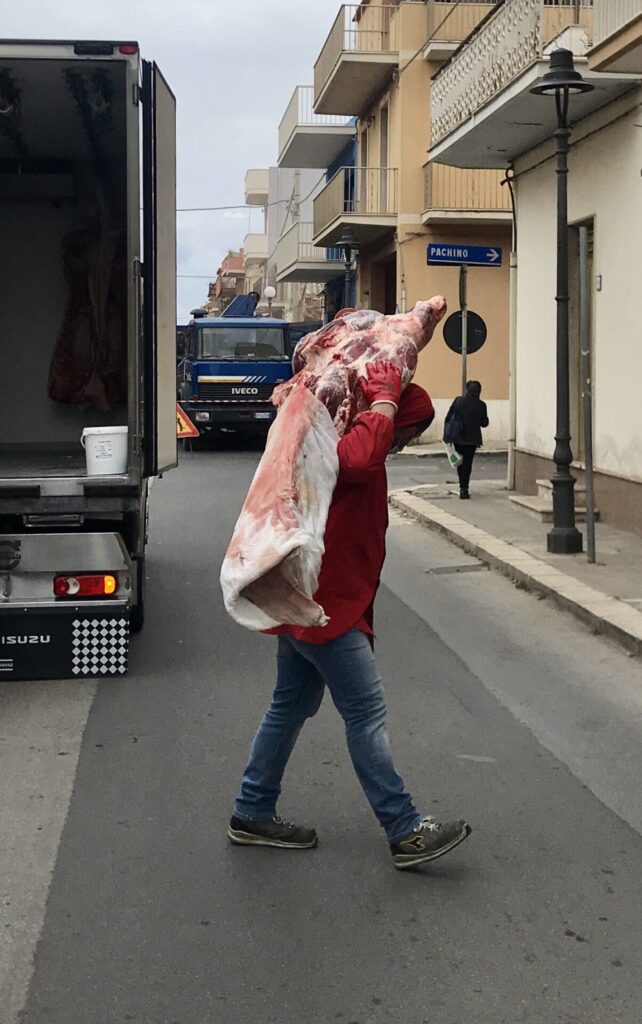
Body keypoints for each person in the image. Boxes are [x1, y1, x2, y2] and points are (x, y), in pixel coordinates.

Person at [228, 363, 472, 870]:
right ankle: (404, 829)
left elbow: (398, 427)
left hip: (309, 599)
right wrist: (381, 398)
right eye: (400, 431)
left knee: (288, 707)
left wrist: (381, 390)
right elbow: (358, 461)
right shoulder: (332, 442)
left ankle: (252, 810)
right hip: (327, 608)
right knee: (365, 714)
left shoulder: (329, 432)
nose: (399, 441)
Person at [444, 380, 489, 499]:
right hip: (472, 439)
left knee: (460, 462)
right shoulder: (481, 405)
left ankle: (462, 487)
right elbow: (485, 423)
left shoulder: (458, 401)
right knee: (468, 464)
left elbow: (449, 417)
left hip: (458, 437)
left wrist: (446, 436)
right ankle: (465, 488)